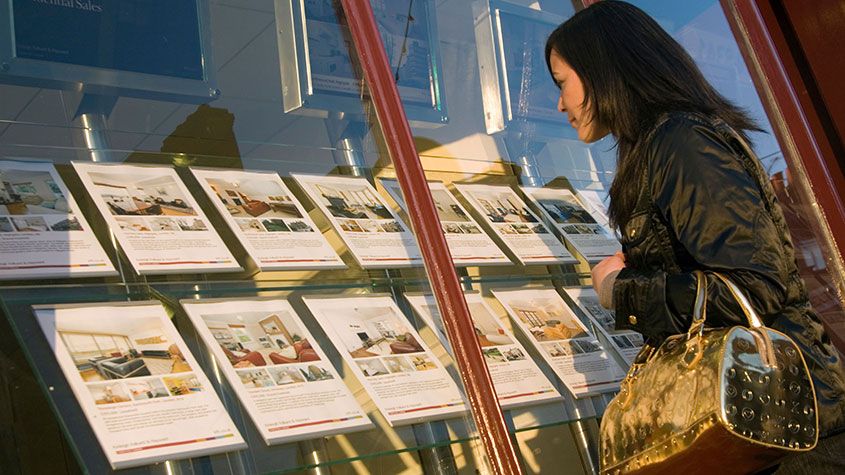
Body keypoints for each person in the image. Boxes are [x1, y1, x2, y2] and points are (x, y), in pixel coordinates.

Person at [544, 1, 845, 473]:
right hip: (758, 427)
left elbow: (754, 287)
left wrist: (619, 290)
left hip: (793, 432)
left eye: (562, 83)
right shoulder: (658, 148)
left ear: (602, 70)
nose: (559, 103)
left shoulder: (683, 142)